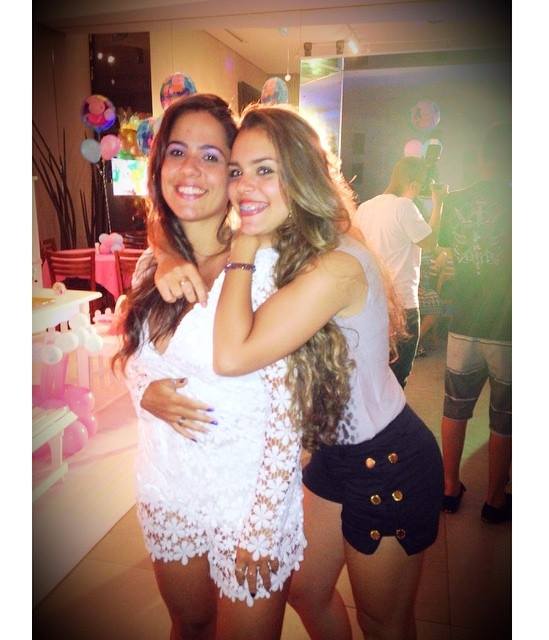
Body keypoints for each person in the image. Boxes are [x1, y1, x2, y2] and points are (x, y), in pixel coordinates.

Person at [154, 104, 444, 640]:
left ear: (302, 174)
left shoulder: (335, 265)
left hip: (388, 461)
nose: (245, 186)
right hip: (331, 454)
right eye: (237, 171)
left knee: (383, 622)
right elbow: (179, 226)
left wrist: (242, 243)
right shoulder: (292, 238)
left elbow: (231, 356)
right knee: (307, 592)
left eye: (265, 169)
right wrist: (167, 254)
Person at [113, 93, 305, 640]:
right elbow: (136, 361)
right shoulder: (151, 264)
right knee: (189, 624)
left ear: (233, 174)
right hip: (167, 484)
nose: (191, 169)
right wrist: (144, 392)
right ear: (159, 166)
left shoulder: (265, 267)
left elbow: (289, 413)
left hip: (245, 498)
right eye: (177, 152)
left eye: (212, 156)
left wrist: (262, 526)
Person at [437, 123, 512, 523]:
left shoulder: (456, 201)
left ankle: (449, 489)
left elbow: (448, 255)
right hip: (508, 326)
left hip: (463, 321)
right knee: (505, 417)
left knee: (455, 407)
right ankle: (495, 501)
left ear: (482, 159)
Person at [352, 157, 446, 387]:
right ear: (414, 183)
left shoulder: (365, 208)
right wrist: (439, 204)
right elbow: (430, 242)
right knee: (396, 380)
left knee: (370, 377)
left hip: (370, 303)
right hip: (402, 306)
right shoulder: (404, 206)